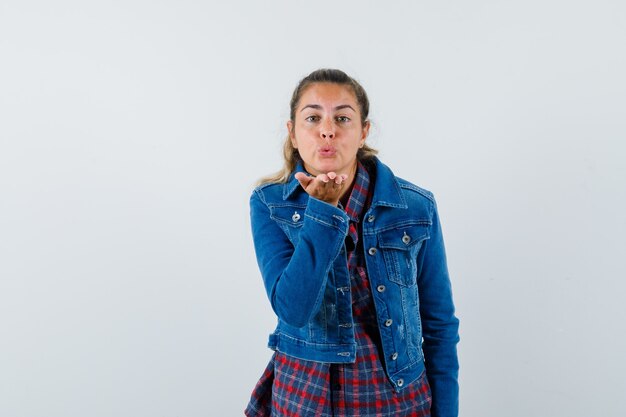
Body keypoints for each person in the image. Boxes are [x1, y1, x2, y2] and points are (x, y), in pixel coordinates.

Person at [245, 69, 460, 417]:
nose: (327, 129)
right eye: (313, 117)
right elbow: (293, 309)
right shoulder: (270, 204)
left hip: (395, 402)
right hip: (304, 400)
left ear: (363, 132)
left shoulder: (415, 207)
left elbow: (439, 325)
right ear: (293, 134)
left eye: (342, 118)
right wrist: (322, 213)